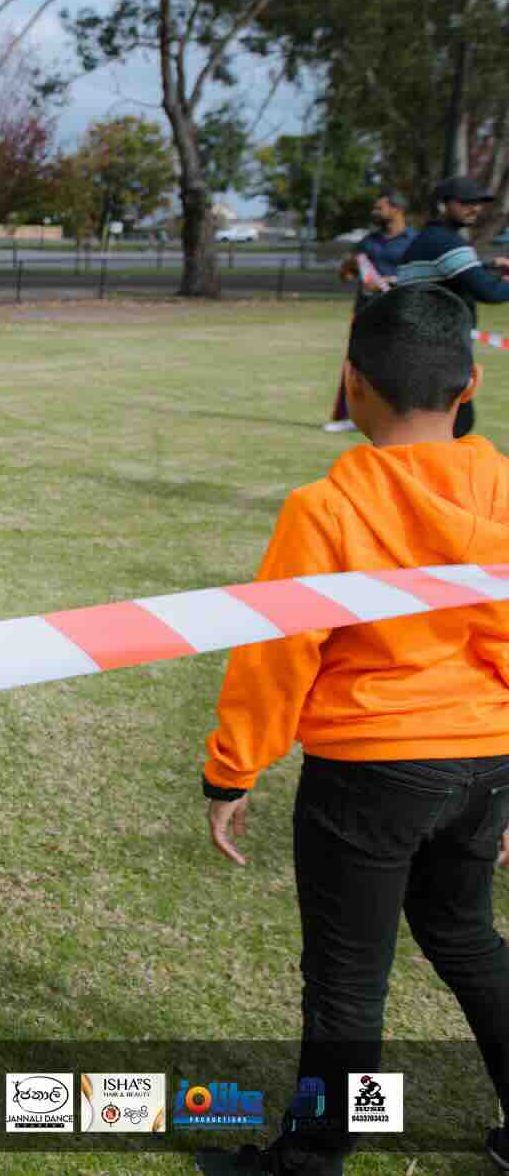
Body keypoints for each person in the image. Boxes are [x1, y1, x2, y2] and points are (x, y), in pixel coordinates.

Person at [203, 286, 509, 1175]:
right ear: (470, 383)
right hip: (485, 759)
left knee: (347, 977)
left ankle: (312, 1156)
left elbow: (278, 651)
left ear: (352, 385)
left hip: (371, 772)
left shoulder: (325, 508)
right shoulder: (501, 489)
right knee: (464, 935)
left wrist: (233, 770)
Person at [394, 175, 509, 437]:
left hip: (421, 344)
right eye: (466, 202)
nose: (475, 208)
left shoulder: (426, 240)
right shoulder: (448, 243)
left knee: (433, 427)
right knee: (457, 423)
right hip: (443, 348)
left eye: (478, 202)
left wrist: (488, 267)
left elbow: (449, 277)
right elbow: (488, 292)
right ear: (443, 204)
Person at [325, 193, 415, 432]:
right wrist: (348, 265)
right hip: (365, 309)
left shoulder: (414, 241)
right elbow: (346, 276)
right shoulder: (367, 242)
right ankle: (346, 416)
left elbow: (422, 275)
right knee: (356, 363)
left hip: (400, 310)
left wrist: (391, 280)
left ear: (397, 210)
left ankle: (398, 418)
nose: (374, 212)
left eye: (379, 208)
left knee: (398, 363)